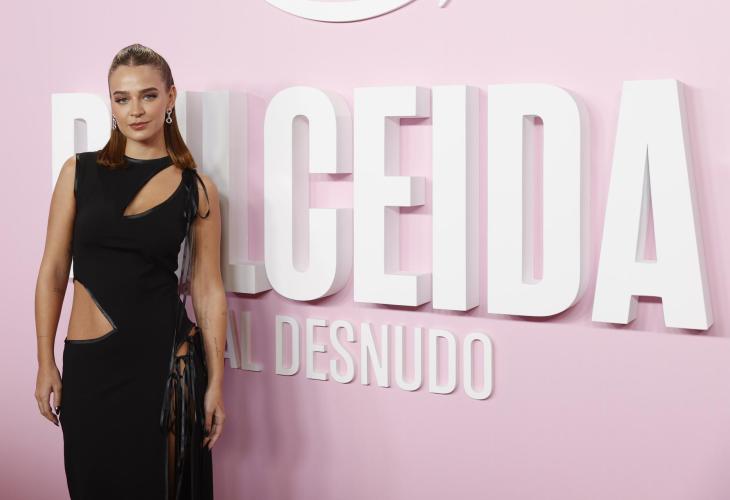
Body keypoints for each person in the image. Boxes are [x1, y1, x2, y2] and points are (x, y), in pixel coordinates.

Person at [33, 43, 228, 499]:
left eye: (148, 95)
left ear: (171, 97)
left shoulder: (197, 188)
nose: (135, 110)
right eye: (122, 98)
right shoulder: (78, 172)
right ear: (112, 104)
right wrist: (45, 361)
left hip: (165, 365)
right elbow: (54, 271)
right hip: (91, 368)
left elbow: (208, 289)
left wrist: (217, 383)